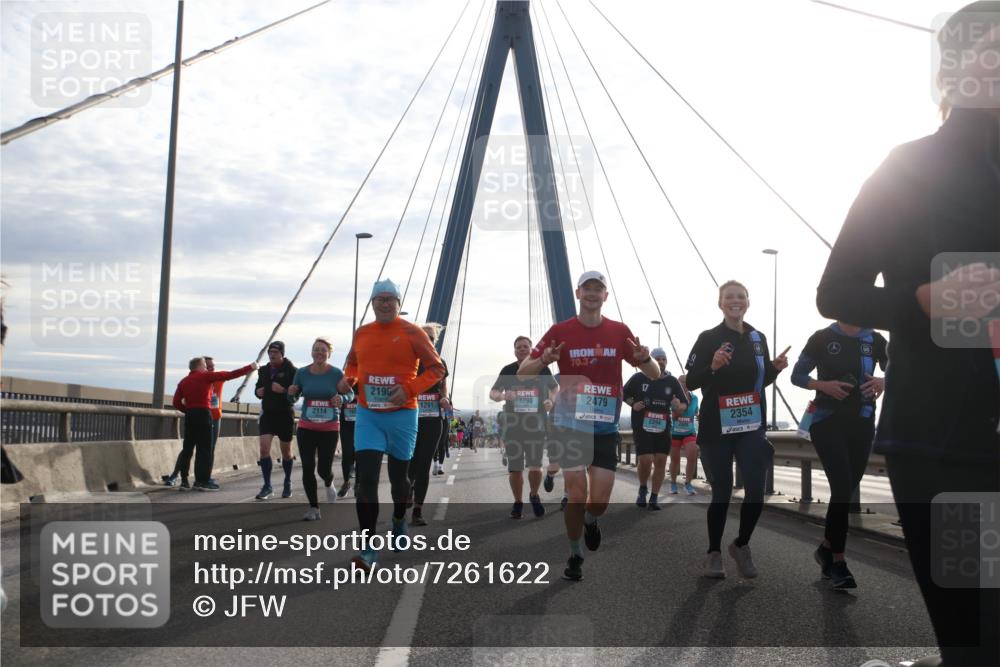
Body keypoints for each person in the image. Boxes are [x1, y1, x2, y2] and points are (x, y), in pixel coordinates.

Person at [816, 5, 998, 662]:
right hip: (946, 445)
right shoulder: (909, 167)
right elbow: (835, 292)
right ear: (953, 67)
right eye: (990, 47)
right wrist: (925, 297)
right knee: (978, 637)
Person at [518, 270, 659, 581]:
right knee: (577, 494)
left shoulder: (619, 331)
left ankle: (592, 521)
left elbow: (654, 373)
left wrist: (646, 359)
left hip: (606, 429)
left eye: (599, 289)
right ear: (578, 294)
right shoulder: (560, 330)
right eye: (587, 289)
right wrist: (544, 360)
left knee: (599, 502)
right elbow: (523, 373)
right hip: (571, 425)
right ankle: (574, 552)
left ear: (605, 296)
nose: (593, 294)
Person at [339, 279, 446, 571]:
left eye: (390, 299)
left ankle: (399, 519)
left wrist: (410, 388)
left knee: (400, 481)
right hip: (368, 414)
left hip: (402, 415)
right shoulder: (362, 333)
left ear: (398, 304)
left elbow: (437, 369)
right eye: (379, 299)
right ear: (372, 303)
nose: (385, 304)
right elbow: (352, 363)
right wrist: (349, 381)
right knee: (366, 481)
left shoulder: (412, 333)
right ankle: (368, 549)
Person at [685, 280, 788, 578]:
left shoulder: (758, 338)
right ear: (720, 303)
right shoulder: (708, 338)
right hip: (717, 426)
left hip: (751, 425)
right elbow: (691, 382)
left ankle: (741, 545)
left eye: (741, 296)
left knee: (756, 491)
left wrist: (775, 369)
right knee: (722, 492)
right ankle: (714, 553)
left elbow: (760, 379)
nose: (735, 300)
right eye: (729, 296)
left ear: (747, 302)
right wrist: (713, 366)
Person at [791, 321, 888, 589]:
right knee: (843, 487)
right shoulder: (822, 337)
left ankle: (825, 548)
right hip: (826, 421)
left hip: (863, 421)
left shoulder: (875, 338)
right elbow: (797, 375)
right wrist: (823, 385)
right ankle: (838, 562)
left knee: (844, 490)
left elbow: (899, 365)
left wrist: (883, 380)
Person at [490, 335, 558, 519]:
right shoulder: (508, 370)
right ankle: (518, 502)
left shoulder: (542, 368)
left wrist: (550, 401)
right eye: (518, 347)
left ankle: (534, 495)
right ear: (515, 350)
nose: (522, 349)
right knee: (515, 469)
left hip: (536, 426)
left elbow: (555, 388)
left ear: (531, 349)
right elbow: (493, 393)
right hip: (513, 427)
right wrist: (504, 396)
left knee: (535, 467)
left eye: (525, 346)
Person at [288, 337, 352, 521]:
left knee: (324, 468)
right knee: (308, 467)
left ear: (329, 354)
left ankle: (329, 482)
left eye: (323, 350)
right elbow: (293, 398)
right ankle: (314, 508)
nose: (319, 353)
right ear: (311, 352)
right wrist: (290, 394)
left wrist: (343, 399)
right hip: (306, 427)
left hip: (329, 428)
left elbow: (350, 393)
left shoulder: (336, 373)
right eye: (316, 349)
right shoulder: (301, 373)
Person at [171, 357, 257, 491]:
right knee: (204, 449)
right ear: (200, 366)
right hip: (204, 414)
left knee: (188, 448)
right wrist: (250, 367)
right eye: (204, 366)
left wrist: (187, 410)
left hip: (190, 415)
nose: (206, 368)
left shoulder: (183, 382)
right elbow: (230, 375)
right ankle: (202, 481)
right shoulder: (206, 377)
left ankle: (184, 481)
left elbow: (176, 402)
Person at [623, 347, 685, 510]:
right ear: (651, 360)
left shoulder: (672, 381)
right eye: (657, 358)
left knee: (660, 461)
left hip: (663, 427)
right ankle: (643, 487)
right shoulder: (638, 378)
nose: (661, 361)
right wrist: (633, 404)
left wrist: (678, 405)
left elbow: (683, 404)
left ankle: (654, 497)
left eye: (663, 359)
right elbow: (622, 393)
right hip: (642, 426)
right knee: (646, 459)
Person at [408, 322, 451, 527]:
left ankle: (417, 510)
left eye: (431, 338)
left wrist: (444, 398)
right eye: (424, 337)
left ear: (436, 341)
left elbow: (443, 387)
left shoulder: (439, 362)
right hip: (408, 419)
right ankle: (408, 489)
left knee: (424, 464)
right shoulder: (408, 361)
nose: (428, 340)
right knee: (410, 463)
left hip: (433, 420)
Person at [162, 355, 226, 488]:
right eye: (209, 367)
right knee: (192, 448)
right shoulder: (199, 379)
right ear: (203, 367)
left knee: (208, 449)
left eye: (213, 367)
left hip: (214, 416)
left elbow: (229, 375)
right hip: (202, 415)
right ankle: (177, 475)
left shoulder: (217, 379)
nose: (212, 369)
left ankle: (204, 477)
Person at [253, 341, 297, 500]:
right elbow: (258, 388)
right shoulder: (264, 370)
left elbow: (297, 394)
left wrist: (284, 390)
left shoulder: (292, 371)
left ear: (282, 354)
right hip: (268, 414)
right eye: (270, 352)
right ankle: (267, 486)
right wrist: (258, 392)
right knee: (264, 449)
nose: (272, 355)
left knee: (286, 452)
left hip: (285, 414)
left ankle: (287, 481)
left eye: (275, 352)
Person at [670, 374, 700, 495]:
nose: (684, 384)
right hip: (675, 432)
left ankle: (688, 483)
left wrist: (698, 415)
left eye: (687, 382)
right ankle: (673, 483)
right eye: (681, 382)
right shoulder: (673, 399)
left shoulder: (695, 398)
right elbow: (674, 416)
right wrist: (680, 407)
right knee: (675, 460)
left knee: (692, 456)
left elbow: (696, 411)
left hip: (690, 432)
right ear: (677, 384)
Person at [337, 385, 358, 496]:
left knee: (359, 454)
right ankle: (346, 482)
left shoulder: (365, 378)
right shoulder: (343, 382)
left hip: (362, 424)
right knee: (347, 453)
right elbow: (337, 398)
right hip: (346, 423)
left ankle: (358, 484)